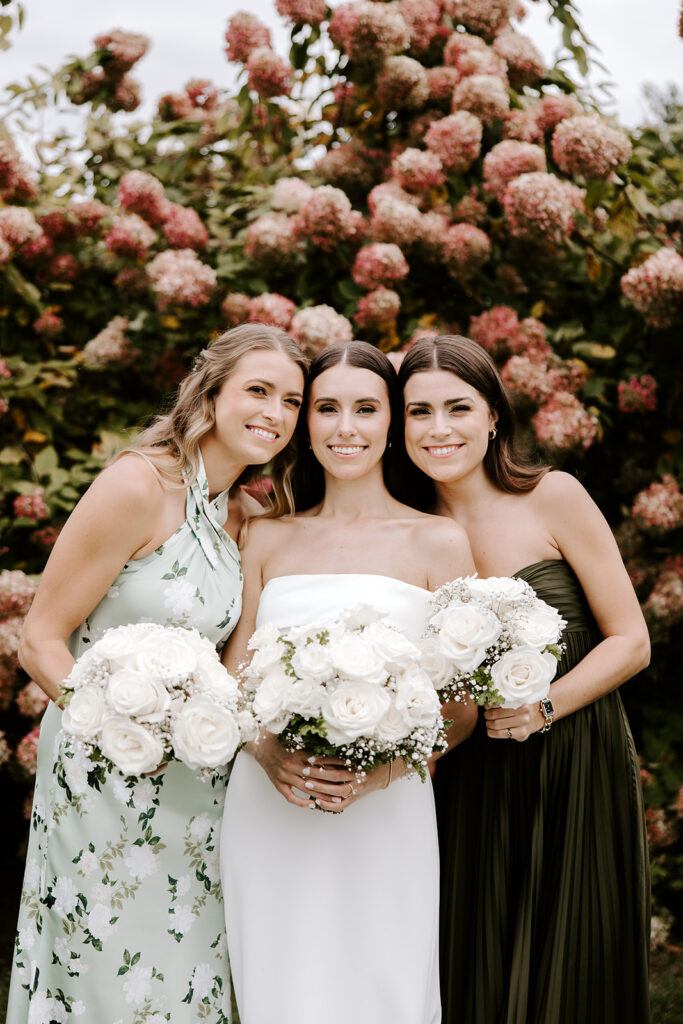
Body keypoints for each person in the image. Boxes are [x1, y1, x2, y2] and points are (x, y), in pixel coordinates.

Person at [7, 323, 307, 1024]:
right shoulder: (138, 485)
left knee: (185, 965)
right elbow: (41, 641)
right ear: (211, 392)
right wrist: (128, 728)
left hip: (199, 779)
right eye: (258, 390)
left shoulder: (249, 515)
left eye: (291, 401)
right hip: (103, 769)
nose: (275, 413)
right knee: (105, 961)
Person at [220, 341, 477, 1024]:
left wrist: (385, 770)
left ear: (392, 423)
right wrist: (266, 752)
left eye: (365, 409)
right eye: (326, 408)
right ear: (305, 424)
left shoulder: (439, 541)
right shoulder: (267, 536)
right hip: (271, 800)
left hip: (387, 809)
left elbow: (461, 709)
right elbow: (232, 678)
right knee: (280, 988)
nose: (345, 428)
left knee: (386, 987)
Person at [398, 334, 652, 1024]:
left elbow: (630, 641)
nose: (439, 429)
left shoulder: (552, 497)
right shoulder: (406, 528)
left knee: (573, 956)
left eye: (457, 407)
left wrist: (544, 705)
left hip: (572, 756)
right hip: (465, 772)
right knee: (476, 957)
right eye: (418, 412)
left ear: (493, 418)